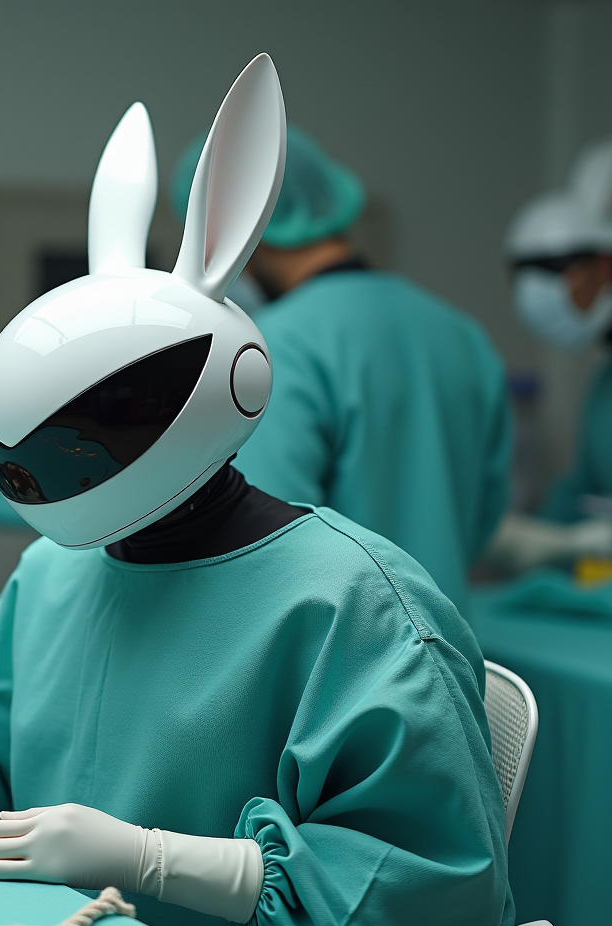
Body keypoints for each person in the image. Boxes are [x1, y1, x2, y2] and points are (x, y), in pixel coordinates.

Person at [0, 58, 512, 926]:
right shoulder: (59, 570)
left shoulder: (350, 605)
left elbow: (433, 891)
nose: (49, 484)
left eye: (79, 449)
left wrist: (168, 863)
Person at [169, 127, 511, 617]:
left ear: (237, 227)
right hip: (447, 656)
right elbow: (480, 522)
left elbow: (264, 547)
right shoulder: (462, 336)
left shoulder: (272, 346)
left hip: (339, 665)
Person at [488, 141, 612, 573]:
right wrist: (533, 541)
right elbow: (582, 494)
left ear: (604, 266)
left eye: (558, 272)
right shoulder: (602, 386)